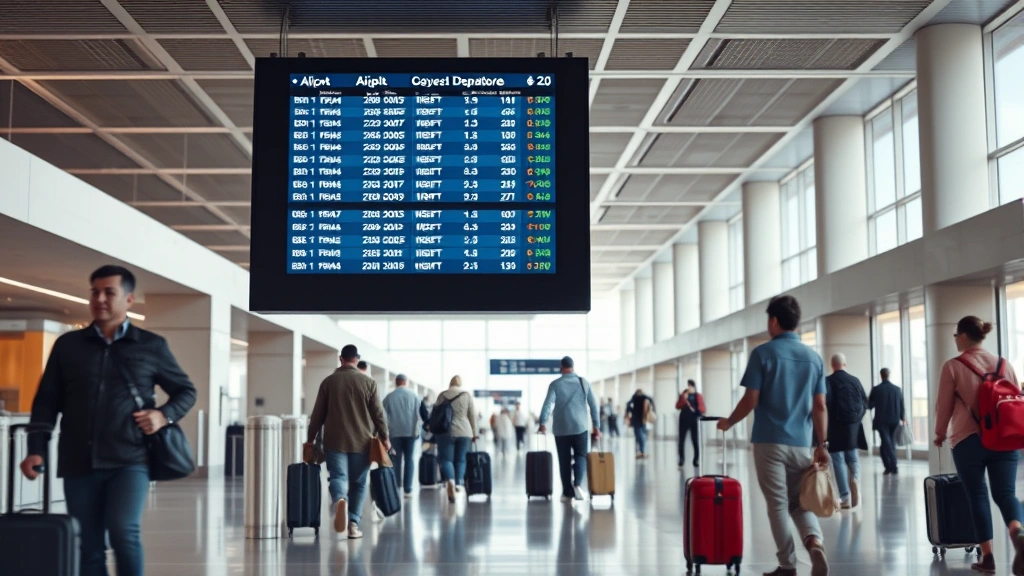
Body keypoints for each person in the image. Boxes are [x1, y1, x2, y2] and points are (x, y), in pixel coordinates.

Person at [20, 265, 197, 576]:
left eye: (109, 292)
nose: (99, 298)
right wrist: (36, 448)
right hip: (78, 460)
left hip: (129, 459)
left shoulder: (150, 345)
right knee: (88, 545)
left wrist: (163, 415)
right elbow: (47, 401)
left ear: (128, 299)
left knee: (123, 532)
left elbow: (186, 391)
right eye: (94, 292)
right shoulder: (69, 346)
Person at [717, 295, 829, 576]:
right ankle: (814, 542)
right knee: (798, 502)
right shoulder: (814, 358)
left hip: (769, 441)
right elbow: (820, 406)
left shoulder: (762, 354)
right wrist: (822, 444)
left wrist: (729, 421)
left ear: (774, 321)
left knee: (778, 504)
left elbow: (750, 399)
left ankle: (788, 565)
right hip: (802, 443)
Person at [934, 316, 1024, 574]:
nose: (954, 340)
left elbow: (945, 406)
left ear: (962, 337)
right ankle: (1018, 531)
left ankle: (988, 558)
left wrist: (939, 433)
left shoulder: (953, 366)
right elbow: (1016, 399)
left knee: (977, 495)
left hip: (968, 440)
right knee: (1005, 494)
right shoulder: (1004, 364)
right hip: (1004, 438)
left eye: (955, 336)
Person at [307, 344, 389, 539]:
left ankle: (339, 500)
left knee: (338, 477)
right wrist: (385, 437)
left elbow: (317, 415)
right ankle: (353, 524)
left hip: (334, 441)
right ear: (356, 359)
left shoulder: (328, 382)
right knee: (359, 483)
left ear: (340, 359)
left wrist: (310, 438)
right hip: (362, 441)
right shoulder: (369, 383)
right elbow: (378, 414)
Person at [537, 356, 601, 502]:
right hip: (580, 427)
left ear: (561, 367)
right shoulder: (583, 382)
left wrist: (542, 422)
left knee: (564, 460)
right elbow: (593, 405)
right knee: (581, 456)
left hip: (561, 429)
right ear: (573, 366)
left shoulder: (555, 384)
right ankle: (578, 484)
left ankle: (567, 493)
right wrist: (596, 426)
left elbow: (548, 404)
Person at [824, 353, 868, 510]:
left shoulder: (828, 381)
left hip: (835, 425)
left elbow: (825, 404)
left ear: (832, 365)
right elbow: (865, 402)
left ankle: (845, 497)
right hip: (853, 425)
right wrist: (856, 419)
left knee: (837, 458)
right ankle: (855, 479)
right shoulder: (855, 380)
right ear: (845, 364)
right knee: (853, 457)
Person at [435, 375, 478, 503]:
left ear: (450, 383)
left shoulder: (442, 395)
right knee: (461, 460)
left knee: (446, 459)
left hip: (445, 431)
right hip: (465, 431)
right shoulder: (466, 395)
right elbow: (472, 416)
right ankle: (458, 483)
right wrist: (475, 433)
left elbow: (435, 413)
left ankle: (450, 481)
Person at [382, 373, 419, 499]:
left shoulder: (389, 397)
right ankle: (408, 489)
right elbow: (419, 415)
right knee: (409, 459)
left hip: (394, 433)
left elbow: (382, 417)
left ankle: (396, 487)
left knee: (396, 459)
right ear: (405, 382)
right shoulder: (414, 396)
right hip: (411, 433)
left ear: (396, 382)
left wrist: (384, 434)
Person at [868, 367, 906, 475]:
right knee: (888, 443)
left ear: (881, 375)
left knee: (886, 442)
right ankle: (888, 467)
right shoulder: (897, 389)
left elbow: (870, 405)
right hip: (894, 419)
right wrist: (903, 417)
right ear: (889, 375)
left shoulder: (876, 389)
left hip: (881, 420)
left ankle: (893, 464)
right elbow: (901, 404)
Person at [675, 380, 705, 469]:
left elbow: (702, 409)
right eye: (688, 385)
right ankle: (681, 459)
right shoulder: (684, 395)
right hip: (684, 418)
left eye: (690, 385)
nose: (689, 387)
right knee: (681, 439)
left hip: (694, 419)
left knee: (695, 440)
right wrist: (684, 398)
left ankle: (696, 459)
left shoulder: (698, 396)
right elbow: (677, 406)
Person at [625, 389, 656, 459]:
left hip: (636, 419)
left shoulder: (634, 398)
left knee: (639, 436)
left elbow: (628, 404)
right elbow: (650, 399)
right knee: (642, 435)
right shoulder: (643, 397)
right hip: (642, 419)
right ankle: (641, 451)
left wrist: (629, 411)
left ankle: (640, 451)